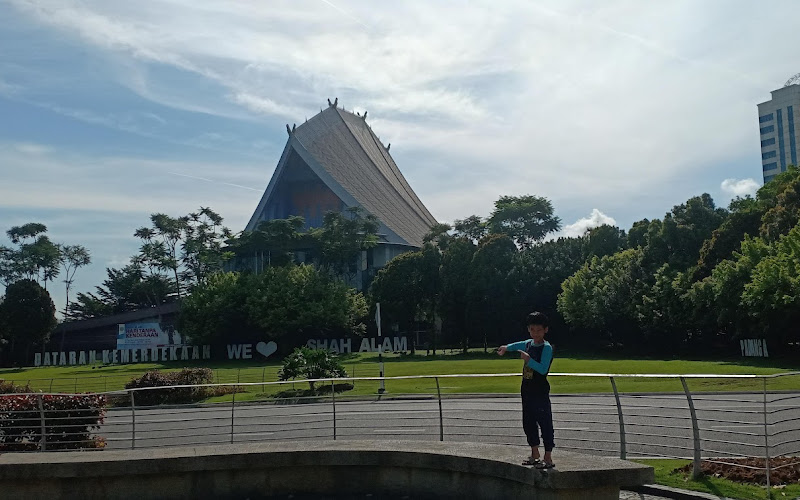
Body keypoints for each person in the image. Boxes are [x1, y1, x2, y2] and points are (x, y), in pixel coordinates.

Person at [497, 311, 555, 469]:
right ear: (528, 329)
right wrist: (506, 348)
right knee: (528, 422)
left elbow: (543, 369)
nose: (535, 333)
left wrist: (528, 360)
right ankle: (534, 453)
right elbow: (518, 344)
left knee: (544, 422)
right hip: (527, 388)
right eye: (532, 330)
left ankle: (548, 456)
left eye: (539, 330)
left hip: (540, 389)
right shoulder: (529, 344)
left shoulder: (546, 348)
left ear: (545, 330)